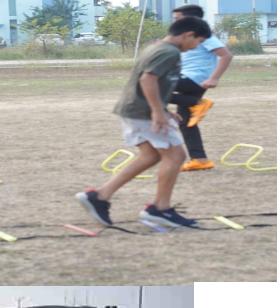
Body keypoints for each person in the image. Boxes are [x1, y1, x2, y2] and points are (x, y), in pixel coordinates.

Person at [75, 16, 212, 229]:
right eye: (199, 42)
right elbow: (147, 80)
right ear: (189, 35)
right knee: (176, 156)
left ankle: (99, 196)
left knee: (151, 156)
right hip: (144, 112)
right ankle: (160, 208)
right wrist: (158, 112)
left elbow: (155, 81)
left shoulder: (157, 47)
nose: (196, 47)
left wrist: (164, 108)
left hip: (133, 109)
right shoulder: (169, 52)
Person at [168, 5, 234, 172]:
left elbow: (226, 55)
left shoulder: (206, 36)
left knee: (149, 88)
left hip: (196, 79)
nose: (174, 22)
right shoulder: (184, 37)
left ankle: (197, 102)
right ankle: (199, 159)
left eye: (177, 19)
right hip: (188, 76)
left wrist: (214, 78)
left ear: (192, 19)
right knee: (185, 121)